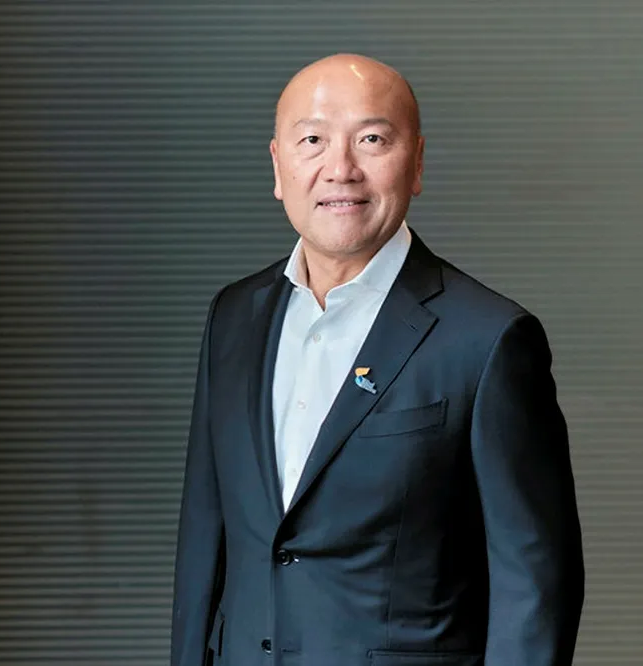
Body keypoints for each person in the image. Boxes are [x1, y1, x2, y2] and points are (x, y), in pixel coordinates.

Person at [170, 53, 585, 666]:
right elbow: (204, 541)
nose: (340, 169)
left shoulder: (489, 339)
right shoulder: (234, 316)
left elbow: (536, 585)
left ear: (416, 162)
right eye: (312, 140)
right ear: (278, 166)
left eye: (371, 140)